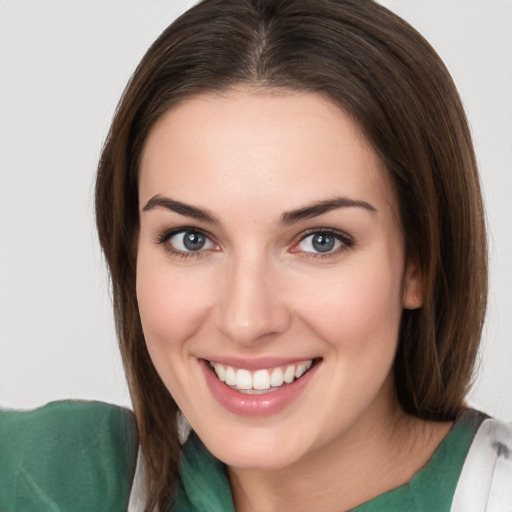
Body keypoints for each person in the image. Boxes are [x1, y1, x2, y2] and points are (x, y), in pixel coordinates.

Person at [0, 0, 510, 511]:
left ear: (419, 261)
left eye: (320, 240)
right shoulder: (50, 478)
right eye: (191, 239)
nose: (246, 321)